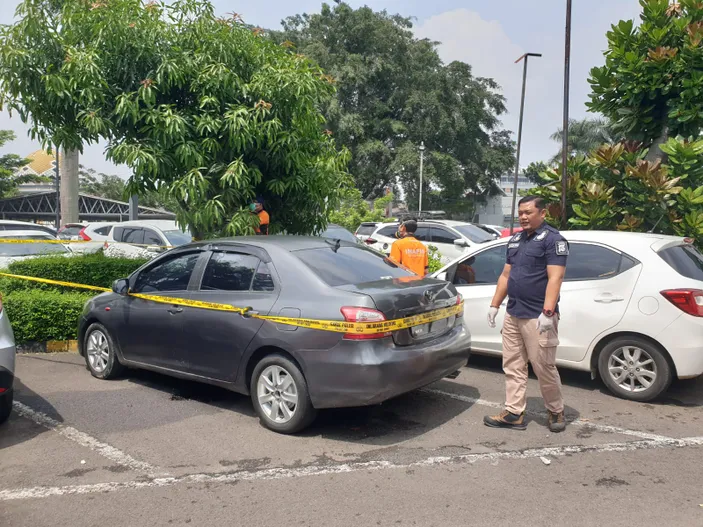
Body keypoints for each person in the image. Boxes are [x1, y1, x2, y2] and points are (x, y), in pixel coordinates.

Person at [484, 195, 569, 433]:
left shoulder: (553, 240)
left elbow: (556, 277)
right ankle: (514, 412)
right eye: (520, 212)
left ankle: (555, 410)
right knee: (512, 365)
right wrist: (494, 305)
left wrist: (548, 312)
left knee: (543, 366)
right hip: (514, 313)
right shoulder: (516, 240)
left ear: (542, 213)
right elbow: (505, 275)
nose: (523, 217)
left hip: (537, 315)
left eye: (528, 212)